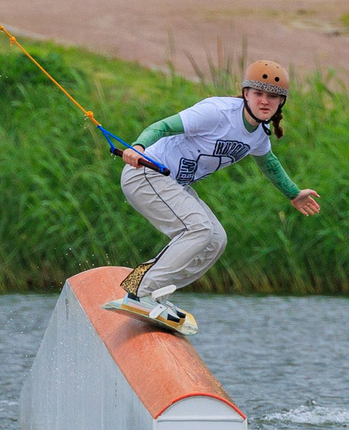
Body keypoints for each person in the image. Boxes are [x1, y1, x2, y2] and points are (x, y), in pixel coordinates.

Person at [106, 58, 322, 334]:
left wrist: (293, 193)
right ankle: (140, 293)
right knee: (198, 228)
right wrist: (137, 146)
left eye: (273, 97)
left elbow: (269, 164)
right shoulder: (217, 112)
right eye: (258, 94)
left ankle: (153, 292)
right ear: (246, 93)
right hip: (146, 174)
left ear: (281, 102)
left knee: (215, 240)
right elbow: (163, 126)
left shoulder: (258, 134)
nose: (265, 101)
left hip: (173, 183)